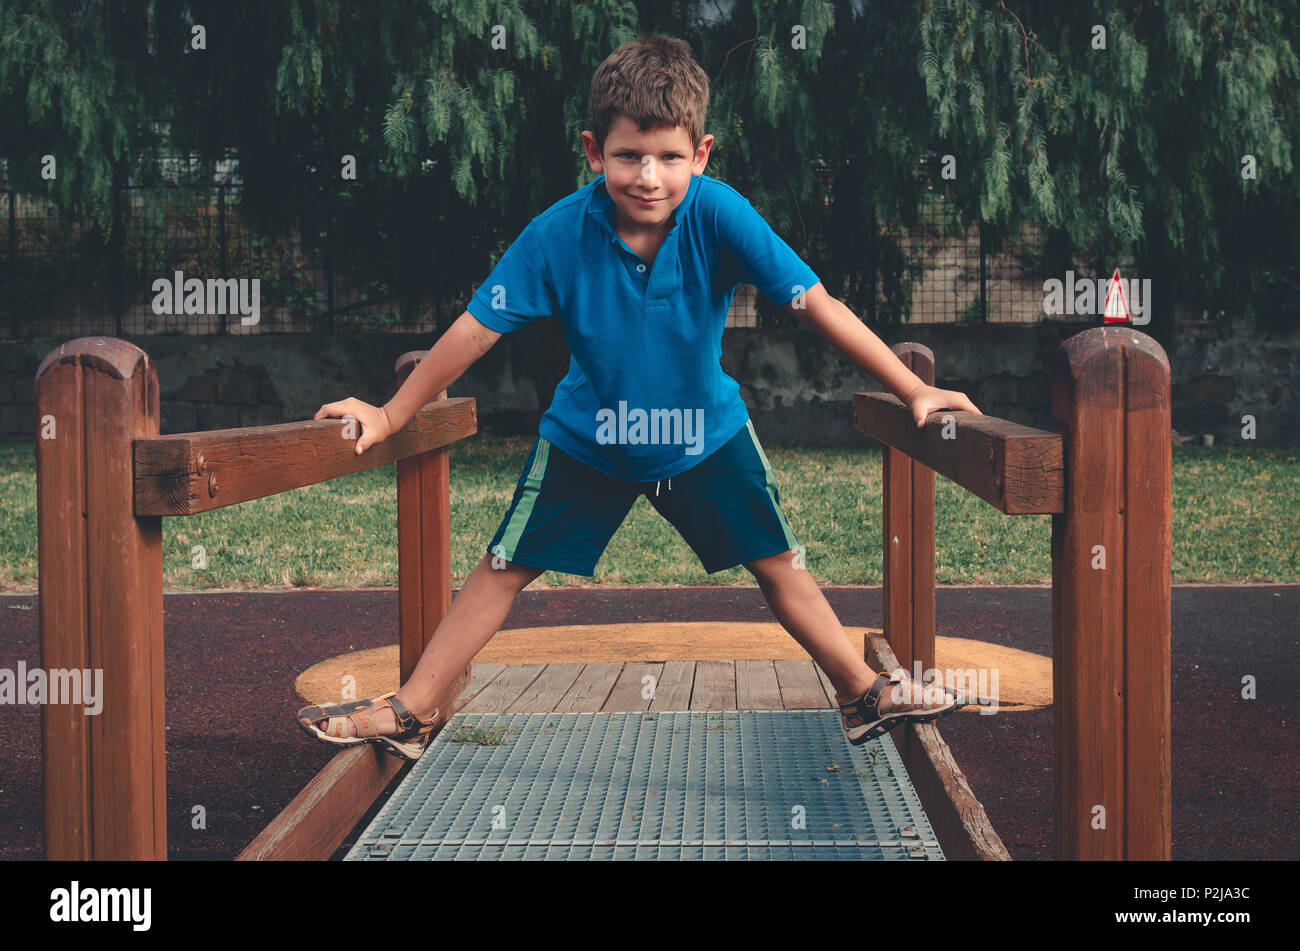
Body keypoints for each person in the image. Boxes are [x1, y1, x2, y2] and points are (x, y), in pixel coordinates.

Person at [297, 34, 983, 761]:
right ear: (594, 152)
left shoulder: (720, 215)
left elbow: (816, 303)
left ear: (702, 154)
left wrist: (913, 387)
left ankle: (860, 692)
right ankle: (414, 708)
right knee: (502, 566)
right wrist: (392, 412)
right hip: (589, 438)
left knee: (780, 561)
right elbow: (474, 332)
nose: (648, 176)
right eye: (628, 156)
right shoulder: (558, 233)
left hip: (704, 434)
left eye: (669, 157)